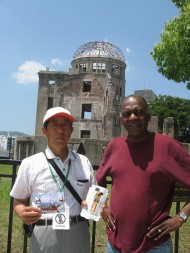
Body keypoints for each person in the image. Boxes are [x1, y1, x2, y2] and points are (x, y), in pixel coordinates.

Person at [96, 95, 190, 253]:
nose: (132, 117)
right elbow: (98, 182)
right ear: (121, 119)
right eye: (127, 114)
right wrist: (102, 206)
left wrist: (181, 217)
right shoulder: (114, 147)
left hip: (154, 245)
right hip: (115, 244)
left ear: (148, 116)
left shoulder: (168, 147)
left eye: (138, 112)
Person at [10, 107, 96, 253]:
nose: (60, 130)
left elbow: (95, 198)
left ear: (71, 130)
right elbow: (18, 200)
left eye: (65, 125)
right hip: (44, 231)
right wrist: (22, 212)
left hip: (78, 229)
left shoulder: (84, 162)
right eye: (55, 124)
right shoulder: (30, 163)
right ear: (44, 131)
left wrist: (94, 205)